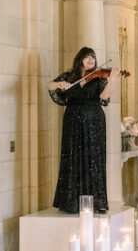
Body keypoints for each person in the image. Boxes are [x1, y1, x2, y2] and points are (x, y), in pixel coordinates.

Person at [49, 47, 115, 214]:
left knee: (93, 159)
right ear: (80, 60)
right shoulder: (69, 77)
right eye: (87, 57)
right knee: (72, 157)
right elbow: (49, 85)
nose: (91, 59)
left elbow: (104, 98)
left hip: (94, 121)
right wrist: (59, 84)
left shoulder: (99, 78)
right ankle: (71, 202)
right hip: (73, 121)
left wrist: (112, 81)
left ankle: (95, 202)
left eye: (93, 57)